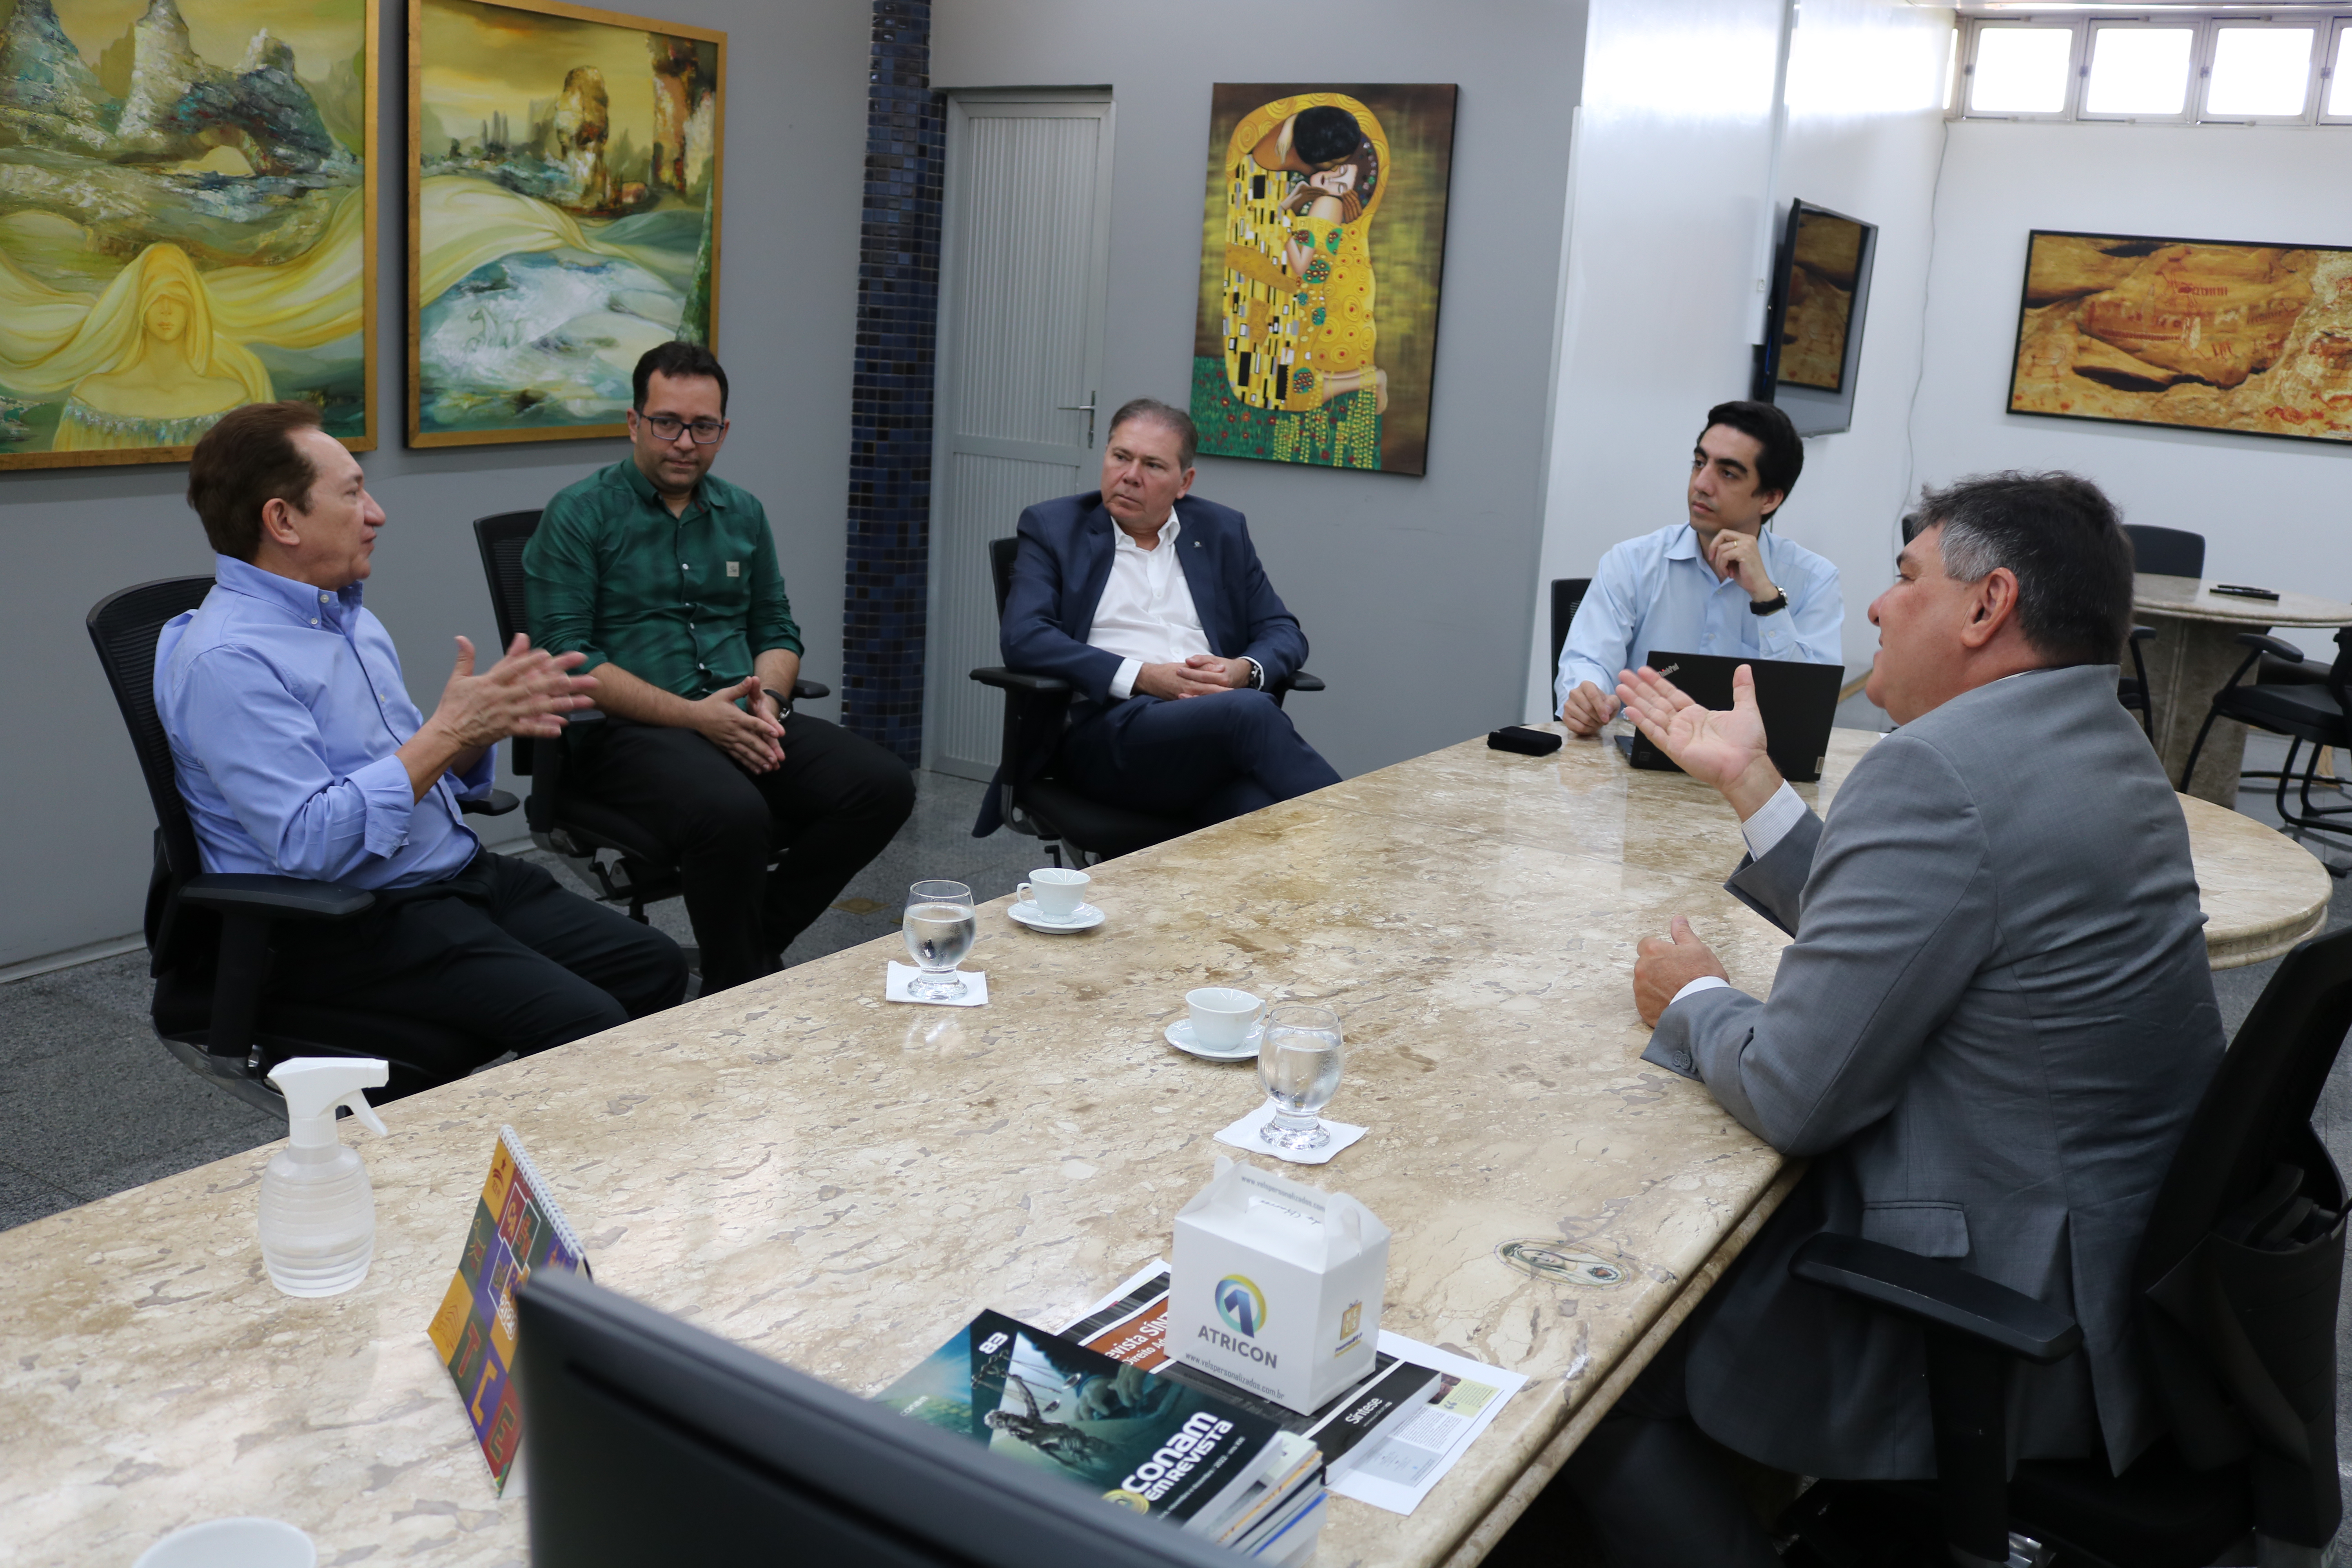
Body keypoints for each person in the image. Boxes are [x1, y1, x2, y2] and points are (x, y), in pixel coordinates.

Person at [1552, 472, 2224, 1564]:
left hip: (1994, 1321)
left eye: (1906, 575)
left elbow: (1795, 1094)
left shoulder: (1935, 772)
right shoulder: (2101, 746)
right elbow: (1930, 930)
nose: (1875, 606)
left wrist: (1695, 999)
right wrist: (1753, 783)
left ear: (1985, 605)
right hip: (2120, 1295)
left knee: (1595, 1369)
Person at [154, 401, 688, 1089]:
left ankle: (519, 1146)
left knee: (654, 967)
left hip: (453, 877)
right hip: (351, 919)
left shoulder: (349, 619)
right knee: (586, 1021)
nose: (376, 514)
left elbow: (419, 775)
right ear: (283, 520)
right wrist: (449, 732)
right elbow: (311, 843)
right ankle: (510, 1183)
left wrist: (475, 735)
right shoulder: (228, 661)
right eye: (352, 494)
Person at [525, 341, 915, 994]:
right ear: (633, 423)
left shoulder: (743, 513)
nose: (685, 441)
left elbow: (776, 629)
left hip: (737, 713)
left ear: (723, 431)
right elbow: (569, 660)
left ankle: (746, 956)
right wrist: (696, 718)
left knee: (881, 785)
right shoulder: (580, 515)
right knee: (732, 812)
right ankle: (741, 983)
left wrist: (770, 698)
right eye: (667, 423)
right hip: (627, 734)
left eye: (703, 427)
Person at [974, 398, 1340, 838]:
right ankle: (1377, 847)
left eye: (1152, 465)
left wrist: (1243, 670)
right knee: (1251, 714)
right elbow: (1024, 637)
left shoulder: (1221, 531)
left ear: (1184, 482)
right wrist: (1144, 677)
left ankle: (1366, 878)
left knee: (1268, 823)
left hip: (1207, 740)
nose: (1130, 476)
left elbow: (1281, 630)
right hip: (1109, 737)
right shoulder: (1054, 527)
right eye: (1121, 457)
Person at [1554, 399, 1842, 736]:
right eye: (1699, 463)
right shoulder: (1632, 562)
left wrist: (1767, 600)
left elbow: (1811, 707)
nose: (1701, 484)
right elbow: (1588, 661)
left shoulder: (1814, 580)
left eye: (1728, 473)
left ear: (1770, 498)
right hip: (1641, 760)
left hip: (1751, 770)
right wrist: (1588, 698)